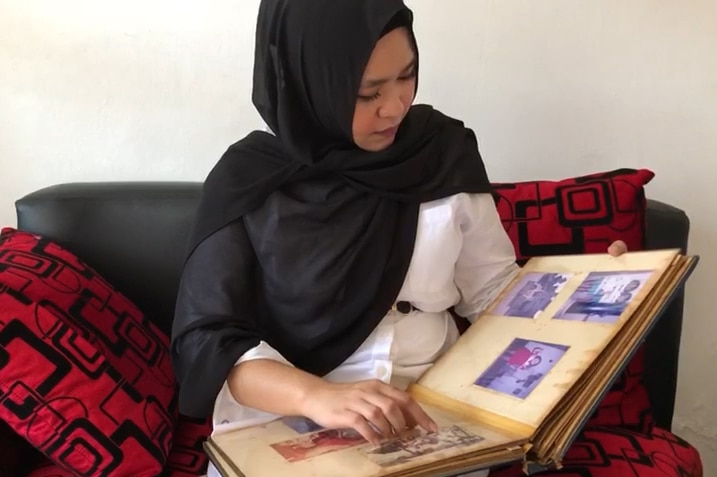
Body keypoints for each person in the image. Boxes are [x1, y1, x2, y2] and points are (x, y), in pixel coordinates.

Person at [169, 1, 629, 476]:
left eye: (406, 76)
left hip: (432, 419)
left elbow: (493, 292)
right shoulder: (250, 181)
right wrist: (317, 396)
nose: (395, 107)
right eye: (367, 93)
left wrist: (591, 291)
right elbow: (209, 338)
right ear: (311, 86)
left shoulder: (441, 152)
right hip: (292, 417)